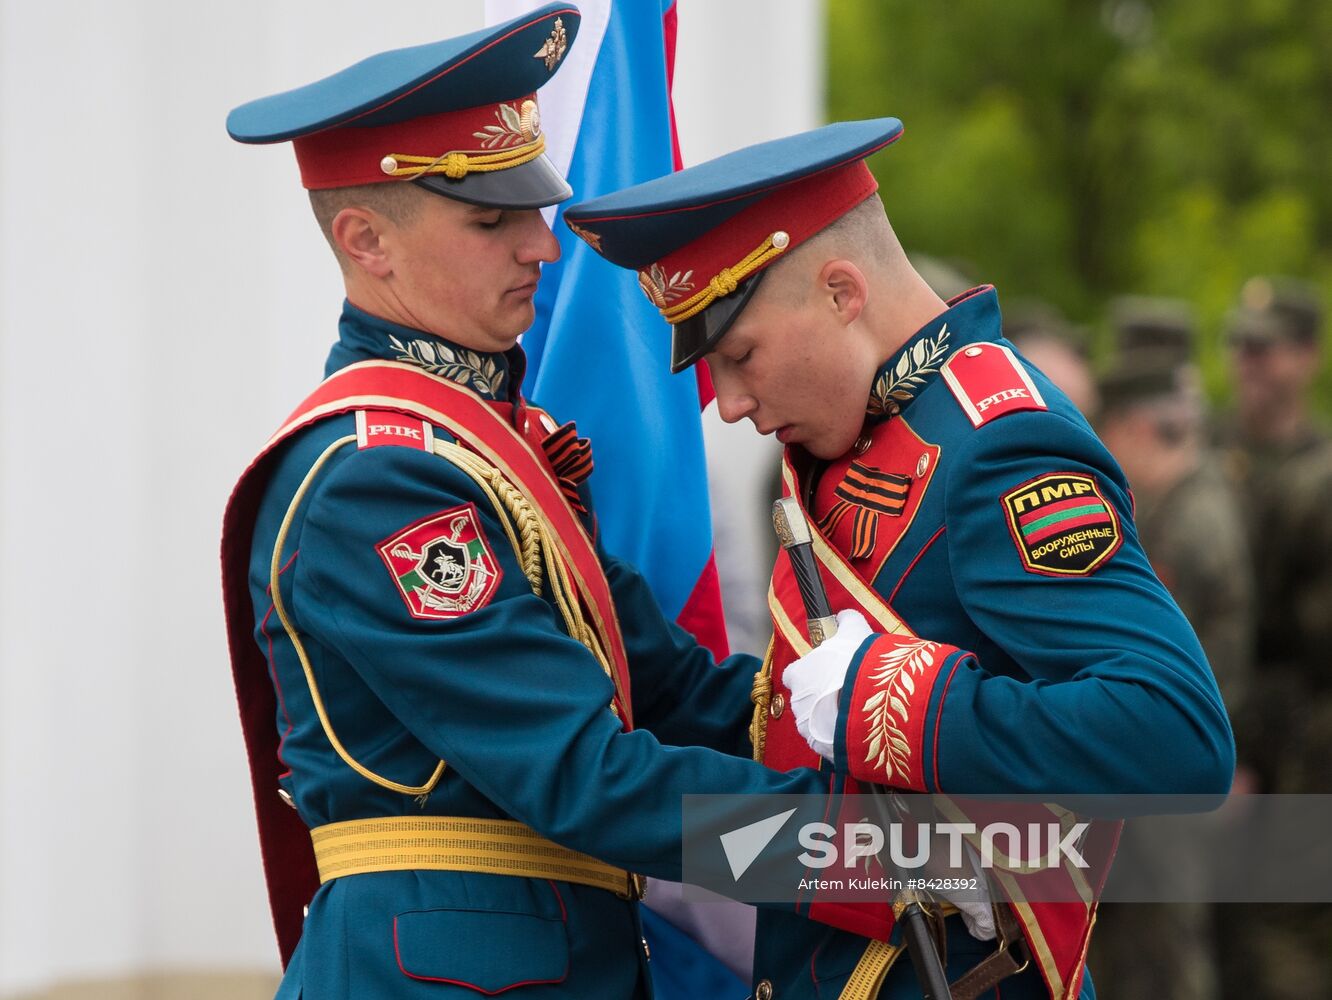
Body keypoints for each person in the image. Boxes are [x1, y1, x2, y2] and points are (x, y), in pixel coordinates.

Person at [219, 10, 879, 999]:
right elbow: (581, 775)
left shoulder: (487, 451)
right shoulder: (377, 478)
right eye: (492, 221)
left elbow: (678, 692)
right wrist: (891, 858)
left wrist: (902, 721)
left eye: (534, 209)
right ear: (366, 240)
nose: (545, 246)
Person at [565, 117, 1234, 999]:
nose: (726, 403)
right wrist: (581, 577)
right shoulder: (875, 435)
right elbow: (808, 737)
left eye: (740, 355)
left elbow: (1177, 734)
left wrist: (903, 698)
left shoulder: (999, 444)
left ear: (841, 291)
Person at [1090, 351, 1254, 1000]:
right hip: (1163, 773)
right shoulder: (1175, 503)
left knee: (1168, 955)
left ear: (1132, 427)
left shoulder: (1189, 520)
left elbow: (1162, 661)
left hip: (1170, 782)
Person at [1213, 277, 1332, 998]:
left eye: (1268, 349)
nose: (1251, 363)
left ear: (1308, 357)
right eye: (1240, 347)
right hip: (1209, 734)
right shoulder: (1201, 455)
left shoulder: (1318, 476)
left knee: (1281, 945)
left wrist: (1258, 750)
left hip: (1296, 755)